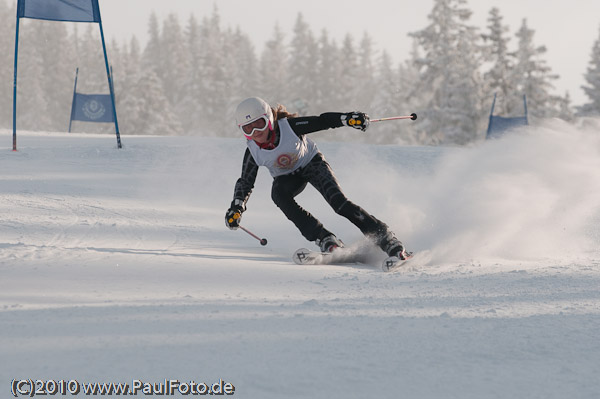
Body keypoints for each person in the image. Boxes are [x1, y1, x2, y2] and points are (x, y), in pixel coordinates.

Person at [225, 97, 408, 259]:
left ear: (270, 120)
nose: (256, 132)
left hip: (312, 164)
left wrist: (347, 119)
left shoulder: (290, 126)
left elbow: (322, 121)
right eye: (248, 129)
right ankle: (324, 238)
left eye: (260, 124)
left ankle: (387, 239)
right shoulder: (253, 151)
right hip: (287, 178)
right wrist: (237, 208)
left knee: (339, 203)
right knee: (278, 195)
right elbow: (245, 182)